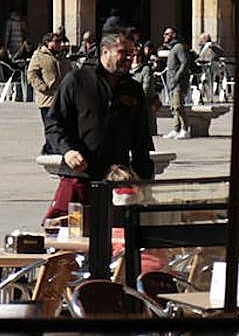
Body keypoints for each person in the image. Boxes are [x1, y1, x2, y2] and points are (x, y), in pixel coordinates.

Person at [43, 30, 155, 220]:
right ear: (105, 51)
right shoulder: (77, 80)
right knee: (65, 230)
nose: (130, 57)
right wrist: (67, 151)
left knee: (118, 238)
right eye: (123, 52)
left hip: (116, 180)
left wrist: (143, 182)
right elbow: (54, 122)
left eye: (132, 53)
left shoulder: (133, 89)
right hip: (79, 175)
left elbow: (141, 139)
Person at [27, 32, 72, 153]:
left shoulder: (62, 57)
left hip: (62, 97)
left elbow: (70, 72)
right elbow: (31, 74)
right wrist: (42, 87)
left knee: (61, 126)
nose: (59, 44)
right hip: (47, 99)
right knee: (50, 126)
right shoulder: (39, 55)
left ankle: (52, 147)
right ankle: (50, 149)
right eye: (56, 41)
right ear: (48, 43)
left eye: (60, 41)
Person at [162, 26, 192, 140]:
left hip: (178, 82)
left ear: (173, 35)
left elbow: (184, 63)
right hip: (171, 82)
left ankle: (185, 129)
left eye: (167, 34)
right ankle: (176, 129)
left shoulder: (179, 47)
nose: (164, 36)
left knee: (179, 106)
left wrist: (176, 77)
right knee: (174, 107)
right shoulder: (172, 48)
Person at [129, 42, 159, 136]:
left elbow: (146, 87)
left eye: (138, 56)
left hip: (145, 103)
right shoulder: (128, 69)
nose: (135, 58)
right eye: (133, 56)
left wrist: (136, 98)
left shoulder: (145, 69)